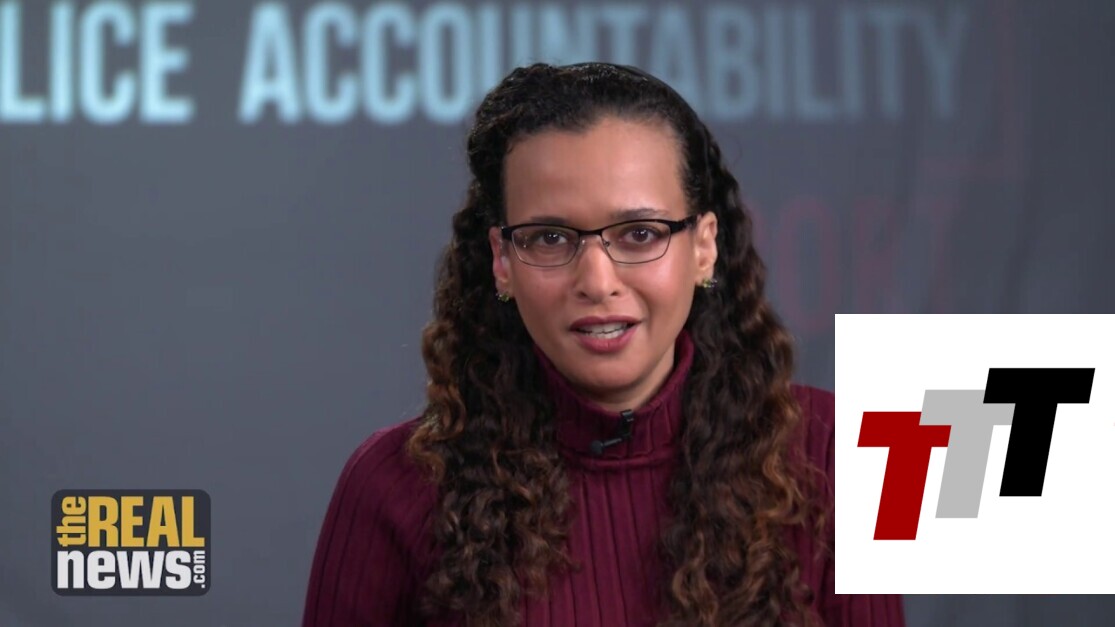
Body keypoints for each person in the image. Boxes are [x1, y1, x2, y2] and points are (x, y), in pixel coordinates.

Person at [302, 62, 905, 627]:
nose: (596, 281)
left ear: (704, 247)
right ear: (502, 261)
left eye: (640, 233)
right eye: (549, 238)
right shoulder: (390, 487)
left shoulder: (846, 449)